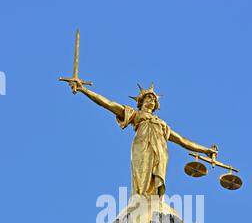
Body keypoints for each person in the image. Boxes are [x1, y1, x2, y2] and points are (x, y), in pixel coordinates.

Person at [68, 81, 217, 198]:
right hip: (142, 146)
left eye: (153, 99)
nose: (151, 100)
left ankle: (153, 199)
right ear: (141, 101)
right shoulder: (136, 115)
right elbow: (108, 104)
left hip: (160, 150)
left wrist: (205, 150)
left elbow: (182, 140)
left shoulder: (162, 124)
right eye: (148, 97)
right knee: (142, 175)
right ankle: (141, 198)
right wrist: (84, 90)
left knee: (156, 178)